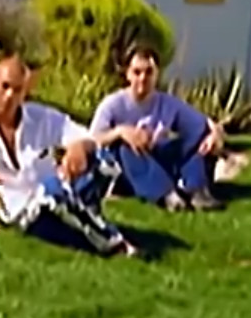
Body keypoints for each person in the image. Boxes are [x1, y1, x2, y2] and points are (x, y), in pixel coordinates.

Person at [0, 55, 133, 257]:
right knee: (53, 195)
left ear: (25, 92)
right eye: (4, 87)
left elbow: (87, 136)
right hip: (23, 208)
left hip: (58, 187)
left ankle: (86, 213)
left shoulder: (42, 118)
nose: (9, 96)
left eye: (17, 90)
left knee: (104, 161)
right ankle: (114, 243)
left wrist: (78, 148)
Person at [87, 43, 225, 212]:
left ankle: (196, 191)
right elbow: (92, 139)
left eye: (149, 72)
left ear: (157, 75)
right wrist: (121, 132)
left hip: (158, 158)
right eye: (137, 72)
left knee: (199, 137)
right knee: (125, 148)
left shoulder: (167, 103)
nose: (143, 78)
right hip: (129, 169)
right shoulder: (113, 104)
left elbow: (203, 123)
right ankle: (166, 195)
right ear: (128, 74)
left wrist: (214, 134)